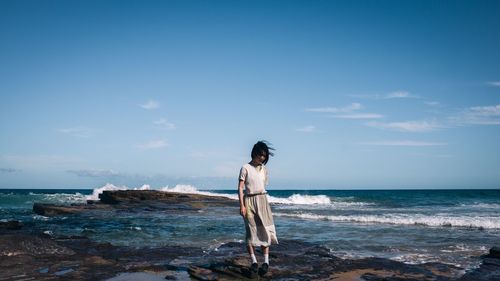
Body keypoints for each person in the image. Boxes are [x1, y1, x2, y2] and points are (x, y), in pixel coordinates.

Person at [238, 140, 278, 277]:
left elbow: (262, 187)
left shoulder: (264, 169)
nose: (262, 158)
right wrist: (241, 205)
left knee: (265, 231)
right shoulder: (245, 168)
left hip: (263, 200)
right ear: (254, 153)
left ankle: (266, 262)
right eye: (261, 155)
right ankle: (254, 262)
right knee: (250, 232)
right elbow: (241, 187)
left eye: (264, 156)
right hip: (249, 201)